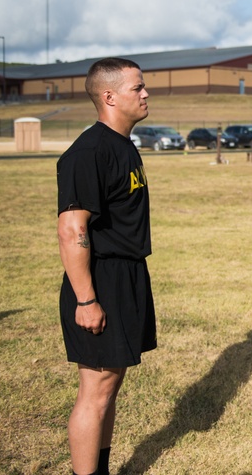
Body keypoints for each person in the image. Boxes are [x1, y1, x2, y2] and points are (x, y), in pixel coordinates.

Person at [56, 58, 158, 475]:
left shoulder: (123, 145)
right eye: (138, 87)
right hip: (101, 279)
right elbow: (71, 229)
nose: (146, 93)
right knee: (95, 390)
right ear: (109, 96)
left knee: (110, 387)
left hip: (128, 274)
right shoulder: (89, 152)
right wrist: (87, 299)